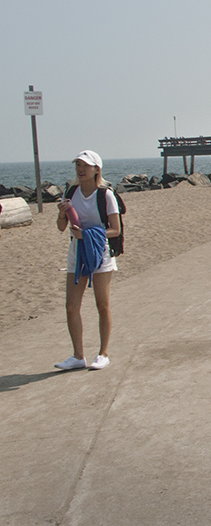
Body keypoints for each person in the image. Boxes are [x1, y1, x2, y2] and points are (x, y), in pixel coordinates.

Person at [54, 150, 122, 371]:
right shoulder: (71, 192)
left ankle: (103, 353)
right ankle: (78, 356)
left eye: (85, 165)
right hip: (76, 252)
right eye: (78, 165)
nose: (80, 169)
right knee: (71, 306)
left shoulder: (105, 195)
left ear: (96, 169)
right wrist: (62, 214)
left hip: (100, 252)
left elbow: (115, 229)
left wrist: (90, 234)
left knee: (102, 305)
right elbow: (61, 227)